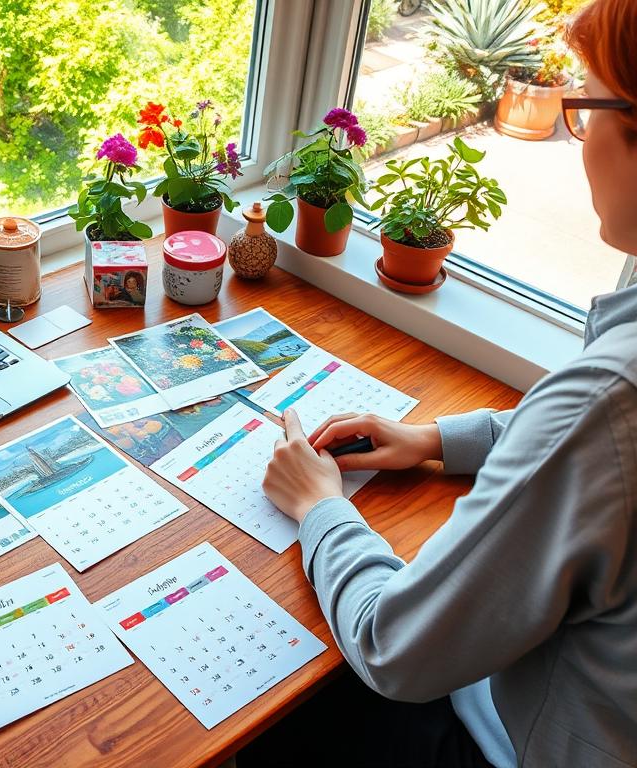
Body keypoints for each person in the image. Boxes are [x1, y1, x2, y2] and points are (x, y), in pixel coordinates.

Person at [252, 2, 637, 766]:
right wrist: (435, 439)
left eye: (585, 107)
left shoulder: (610, 395)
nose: (577, 140)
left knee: (286, 717)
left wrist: (320, 505)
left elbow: (395, 649)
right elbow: (599, 463)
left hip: (516, 743)